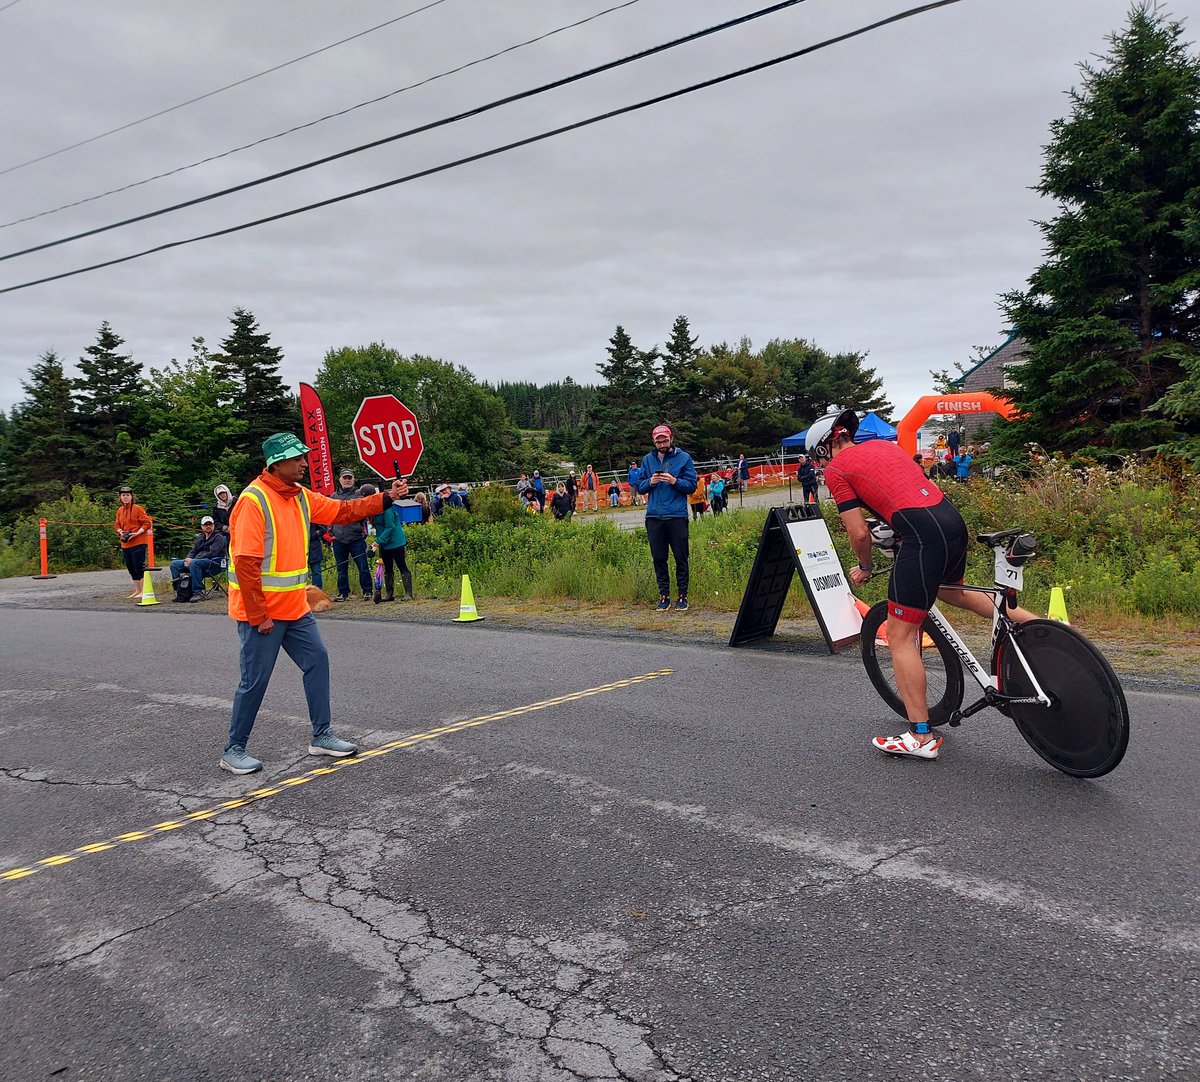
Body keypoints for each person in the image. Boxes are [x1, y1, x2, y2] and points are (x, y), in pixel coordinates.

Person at [805, 409, 1035, 761]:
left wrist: (865, 566)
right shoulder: (885, 446)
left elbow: (858, 532)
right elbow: (905, 494)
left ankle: (920, 736)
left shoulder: (837, 469)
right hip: (950, 522)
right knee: (952, 591)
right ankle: (1045, 628)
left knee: (898, 636)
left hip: (923, 536)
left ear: (823, 449)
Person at [220, 432, 395, 775]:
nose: (304, 463)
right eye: (297, 458)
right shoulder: (253, 501)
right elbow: (245, 563)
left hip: (296, 607)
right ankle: (233, 750)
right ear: (277, 463)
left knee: (318, 660)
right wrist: (259, 615)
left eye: (304, 456)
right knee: (255, 680)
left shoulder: (300, 496)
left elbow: (343, 511)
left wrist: (385, 499)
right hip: (263, 613)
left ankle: (322, 735)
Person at [636, 424, 698, 612]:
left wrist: (674, 481)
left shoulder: (684, 458)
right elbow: (640, 486)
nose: (662, 443)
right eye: (658, 440)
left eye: (665, 439)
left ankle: (682, 596)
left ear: (671, 439)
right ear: (653, 441)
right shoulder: (647, 460)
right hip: (654, 516)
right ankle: (664, 596)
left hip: (676, 515)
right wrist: (650, 482)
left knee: (681, 557)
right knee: (659, 558)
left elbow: (692, 486)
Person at [329, 468, 372, 602]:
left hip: (356, 537)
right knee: (341, 568)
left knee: (363, 566)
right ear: (340, 480)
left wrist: (363, 530)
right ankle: (343, 593)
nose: (347, 480)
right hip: (339, 538)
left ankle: (368, 591)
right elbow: (329, 516)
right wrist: (332, 533)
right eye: (345, 478)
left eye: (349, 478)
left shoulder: (359, 496)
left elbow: (366, 514)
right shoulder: (333, 497)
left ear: (353, 480)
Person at [371, 476, 413, 601]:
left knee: (401, 565)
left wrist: (376, 543)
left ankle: (409, 594)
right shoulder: (372, 510)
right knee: (387, 568)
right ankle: (389, 594)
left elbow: (390, 527)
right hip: (384, 543)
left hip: (395, 541)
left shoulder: (386, 508)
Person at [170, 516, 228, 601]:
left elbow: (213, 553)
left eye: (210, 524)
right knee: (174, 564)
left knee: (194, 563)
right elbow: (193, 550)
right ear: (202, 526)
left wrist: (193, 560)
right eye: (205, 524)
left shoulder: (218, 537)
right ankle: (181, 592)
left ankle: (198, 593)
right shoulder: (200, 538)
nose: (208, 526)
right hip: (197, 562)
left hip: (215, 562)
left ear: (213, 525)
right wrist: (188, 558)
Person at [114, 485, 153, 599]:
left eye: (127, 495)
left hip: (138, 541)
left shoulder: (138, 508)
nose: (125, 497)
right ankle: (137, 590)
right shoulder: (120, 510)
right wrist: (121, 531)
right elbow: (116, 524)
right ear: (120, 497)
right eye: (123, 495)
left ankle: (144, 589)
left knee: (139, 565)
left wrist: (137, 533)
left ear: (132, 497)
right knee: (130, 566)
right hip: (126, 543)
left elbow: (147, 523)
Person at [308, 519, 328, 589]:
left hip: (314, 546)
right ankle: (300, 594)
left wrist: (315, 534)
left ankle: (317, 591)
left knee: (316, 571)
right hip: (300, 546)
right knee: (300, 572)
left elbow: (324, 528)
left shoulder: (314, 514)